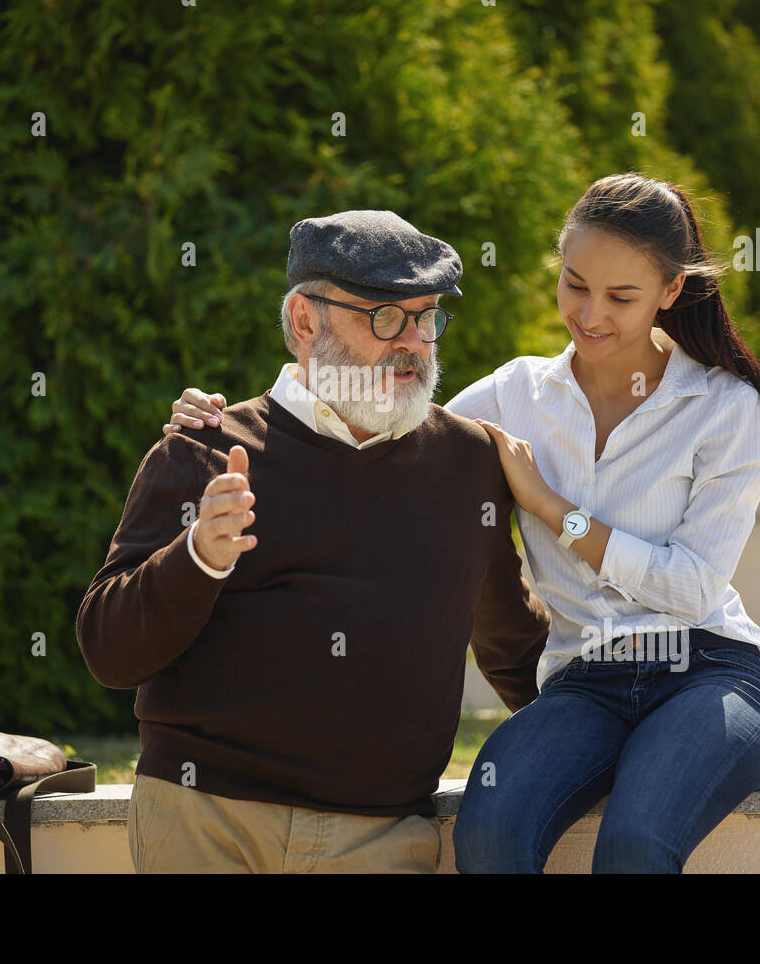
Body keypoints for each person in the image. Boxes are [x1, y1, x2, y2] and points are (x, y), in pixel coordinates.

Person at [165, 173, 760, 873]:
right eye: (574, 284)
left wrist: (555, 513)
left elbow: (690, 588)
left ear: (670, 292)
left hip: (708, 674)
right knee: (489, 834)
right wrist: (224, 422)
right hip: (584, 684)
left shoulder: (724, 408)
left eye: (621, 297)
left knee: (635, 843)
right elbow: (377, 433)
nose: (590, 313)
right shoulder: (514, 395)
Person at [79, 209, 550, 874]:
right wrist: (197, 558)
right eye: (386, 317)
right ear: (305, 321)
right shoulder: (205, 450)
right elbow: (108, 650)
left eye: (427, 316)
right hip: (204, 820)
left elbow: (515, 649)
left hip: (380, 839)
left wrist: (611, 730)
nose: (414, 341)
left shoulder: (468, 463)